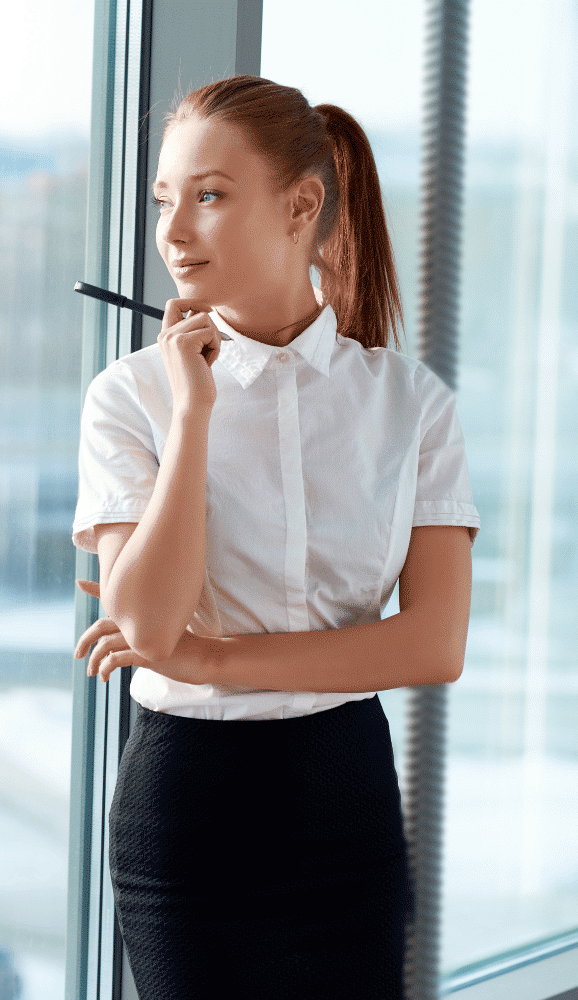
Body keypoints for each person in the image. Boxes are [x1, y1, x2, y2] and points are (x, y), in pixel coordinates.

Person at [71, 75, 478, 999]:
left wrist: (212, 657)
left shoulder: (410, 405)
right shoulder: (129, 399)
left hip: (346, 796)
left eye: (209, 197)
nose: (173, 233)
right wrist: (192, 414)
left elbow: (432, 644)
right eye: (165, 201)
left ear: (301, 205)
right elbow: (146, 619)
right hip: (187, 808)